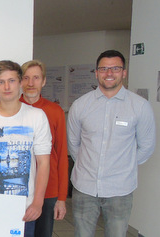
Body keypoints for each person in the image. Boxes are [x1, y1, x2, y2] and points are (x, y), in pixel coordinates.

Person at [67, 50, 156, 237]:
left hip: (120, 190)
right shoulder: (80, 105)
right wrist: (88, 165)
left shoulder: (139, 106)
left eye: (115, 68)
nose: (109, 73)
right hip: (85, 187)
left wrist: (124, 166)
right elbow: (73, 144)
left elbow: (146, 147)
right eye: (104, 69)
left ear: (124, 72)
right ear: (96, 73)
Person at [0, 60, 51, 237]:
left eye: (12, 80)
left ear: (20, 83)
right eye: (1, 82)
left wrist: (37, 203)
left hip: (25, 208)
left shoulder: (37, 117)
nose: (7, 86)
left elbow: (43, 163)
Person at [19, 60, 68, 237]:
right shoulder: (11, 109)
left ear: (44, 81)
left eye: (36, 78)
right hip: (18, 189)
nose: (31, 83)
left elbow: (62, 155)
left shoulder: (55, 111)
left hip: (48, 190)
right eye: (26, 78)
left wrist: (61, 198)